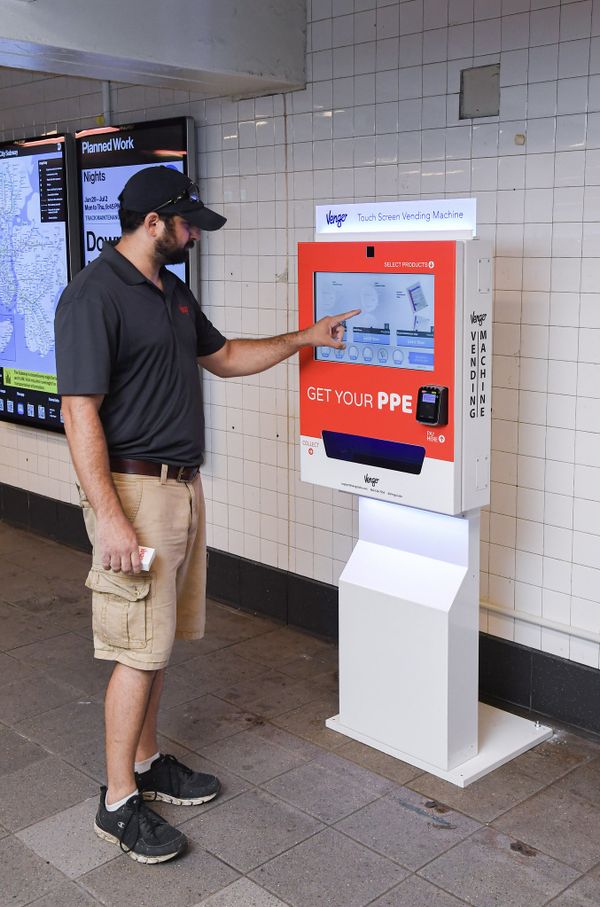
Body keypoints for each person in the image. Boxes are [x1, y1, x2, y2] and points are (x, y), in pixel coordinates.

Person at [54, 165, 358, 864]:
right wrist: (111, 517)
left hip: (181, 488)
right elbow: (79, 411)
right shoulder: (93, 296)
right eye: (187, 222)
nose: (195, 233)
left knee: (158, 641)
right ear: (152, 223)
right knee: (137, 648)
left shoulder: (172, 292)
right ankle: (118, 800)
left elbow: (222, 357)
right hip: (132, 495)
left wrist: (305, 336)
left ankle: (151, 758)